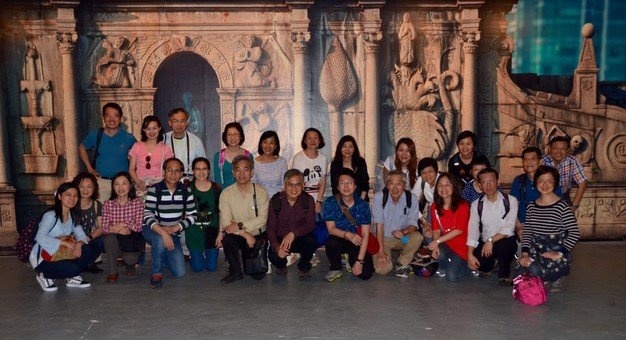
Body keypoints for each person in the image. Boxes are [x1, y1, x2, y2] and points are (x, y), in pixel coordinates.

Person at [519, 165, 580, 293]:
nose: (545, 184)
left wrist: (559, 253)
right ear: (535, 183)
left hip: (555, 249)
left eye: (549, 181)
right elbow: (528, 232)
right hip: (536, 250)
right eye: (541, 180)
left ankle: (558, 275)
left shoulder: (562, 206)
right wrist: (524, 253)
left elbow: (574, 232)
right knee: (519, 274)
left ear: (556, 183)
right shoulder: (531, 206)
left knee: (535, 271)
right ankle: (545, 275)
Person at [30, 182, 96, 292]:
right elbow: (40, 237)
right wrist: (65, 242)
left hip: (61, 254)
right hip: (44, 257)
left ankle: (71, 277)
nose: (72, 198)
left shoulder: (72, 216)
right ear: (60, 196)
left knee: (87, 250)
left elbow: (82, 236)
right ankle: (44, 275)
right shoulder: (51, 215)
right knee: (73, 268)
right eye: (68, 194)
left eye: (75, 195)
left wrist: (79, 244)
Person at [143, 158, 197, 288]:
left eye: (177, 171)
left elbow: (193, 215)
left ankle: (160, 256)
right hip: (153, 230)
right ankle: (156, 274)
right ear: (163, 172)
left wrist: (174, 229)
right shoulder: (154, 190)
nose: (173, 174)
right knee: (160, 239)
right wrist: (163, 232)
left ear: (181, 173)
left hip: (173, 232)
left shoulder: (186, 191)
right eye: (169, 170)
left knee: (180, 272)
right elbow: (147, 216)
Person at [217, 155, 269, 283]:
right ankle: (235, 271)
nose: (242, 174)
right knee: (228, 239)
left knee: (258, 275)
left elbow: (262, 219)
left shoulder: (261, 192)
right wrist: (245, 234)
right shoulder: (226, 193)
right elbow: (226, 223)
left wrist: (239, 225)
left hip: (257, 234)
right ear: (233, 173)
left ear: (252, 172)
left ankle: (249, 257)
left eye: (246, 170)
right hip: (237, 235)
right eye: (238, 170)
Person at [467, 169, 518, 286]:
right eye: (484, 182)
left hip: (505, 240)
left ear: (498, 182)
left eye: (491, 181)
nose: (488, 185)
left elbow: (509, 228)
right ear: (480, 185)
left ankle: (504, 274)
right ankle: (492, 264)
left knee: (503, 248)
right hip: (486, 243)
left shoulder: (510, 201)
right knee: (481, 264)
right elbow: (473, 230)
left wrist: (491, 240)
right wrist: (470, 254)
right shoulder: (476, 205)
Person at [322, 168, 374, 282]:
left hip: (357, 241)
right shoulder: (330, 202)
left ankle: (350, 258)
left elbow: (365, 235)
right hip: (339, 238)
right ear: (337, 187)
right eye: (342, 183)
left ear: (355, 186)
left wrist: (359, 261)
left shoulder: (363, 205)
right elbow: (331, 229)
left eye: (349, 182)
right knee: (331, 242)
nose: (346, 186)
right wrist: (348, 235)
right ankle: (335, 267)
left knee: (365, 274)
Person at [79, 102, 136, 200]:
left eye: (116, 116)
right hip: (102, 183)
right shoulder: (96, 135)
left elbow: (137, 155)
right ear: (103, 118)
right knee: (101, 213)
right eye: (108, 115)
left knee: (123, 213)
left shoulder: (128, 137)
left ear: (120, 118)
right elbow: (82, 148)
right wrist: (89, 168)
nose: (112, 119)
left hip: (122, 184)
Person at [266, 169, 317, 279]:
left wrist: (293, 233)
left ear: (303, 185)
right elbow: (270, 227)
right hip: (281, 238)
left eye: (298, 185)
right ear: (284, 185)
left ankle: (303, 266)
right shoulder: (276, 201)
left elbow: (310, 225)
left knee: (311, 241)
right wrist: (276, 247)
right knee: (274, 256)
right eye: (290, 185)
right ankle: (282, 265)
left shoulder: (308, 200)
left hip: (300, 237)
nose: (294, 189)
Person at [372, 170, 421, 278]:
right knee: (383, 270)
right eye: (391, 183)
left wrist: (404, 232)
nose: (395, 188)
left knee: (417, 237)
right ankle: (377, 254)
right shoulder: (379, 197)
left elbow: (413, 224)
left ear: (404, 185)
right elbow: (379, 227)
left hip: (402, 239)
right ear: (387, 185)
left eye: (399, 184)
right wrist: (380, 252)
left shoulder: (412, 198)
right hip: (382, 239)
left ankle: (402, 263)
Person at [510, 147, 563, 239]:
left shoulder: (550, 180)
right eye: (526, 159)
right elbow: (512, 207)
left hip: (548, 226)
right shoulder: (519, 180)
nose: (529, 162)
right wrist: (518, 227)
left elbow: (558, 206)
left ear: (540, 161)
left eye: (533, 159)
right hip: (524, 226)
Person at [427, 172, 471, 282]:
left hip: (462, 244)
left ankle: (468, 266)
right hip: (446, 243)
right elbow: (436, 229)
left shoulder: (462, 205)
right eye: (440, 185)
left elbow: (459, 230)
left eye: (447, 184)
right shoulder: (434, 206)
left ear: (453, 187)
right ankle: (447, 263)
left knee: (451, 277)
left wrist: (437, 241)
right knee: (436, 251)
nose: (443, 188)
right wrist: (436, 244)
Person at [101, 172, 145, 283]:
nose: (120, 187)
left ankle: (130, 265)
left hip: (131, 242)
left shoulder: (138, 204)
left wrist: (124, 224)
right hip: (115, 243)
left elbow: (139, 227)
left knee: (130, 260)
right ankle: (112, 272)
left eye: (124, 183)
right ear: (113, 187)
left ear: (130, 185)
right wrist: (120, 229)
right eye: (117, 184)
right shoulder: (107, 204)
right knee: (109, 237)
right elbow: (104, 228)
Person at [187, 157, 221, 272]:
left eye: (204, 169)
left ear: (209, 170)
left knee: (211, 268)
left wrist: (220, 234)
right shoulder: (187, 189)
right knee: (197, 268)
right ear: (193, 171)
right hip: (194, 233)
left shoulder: (216, 188)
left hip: (211, 233)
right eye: (197, 169)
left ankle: (207, 254)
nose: (201, 172)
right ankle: (194, 255)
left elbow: (221, 213)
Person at [129, 115, 174, 197]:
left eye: (154, 128)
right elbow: (131, 169)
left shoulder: (166, 148)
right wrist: (139, 183)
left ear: (159, 129)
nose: (151, 132)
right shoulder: (137, 146)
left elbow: (170, 170)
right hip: (140, 187)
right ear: (144, 130)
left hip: (159, 187)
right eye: (148, 129)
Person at [541, 136, 588, 211]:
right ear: (550, 149)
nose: (559, 152)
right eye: (555, 148)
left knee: (568, 221)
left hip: (563, 197)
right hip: (544, 197)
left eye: (563, 149)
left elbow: (583, 182)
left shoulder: (572, 161)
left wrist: (574, 206)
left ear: (568, 150)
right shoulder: (542, 162)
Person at [72, 172, 104, 274]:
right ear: (76, 188)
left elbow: (101, 227)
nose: (85, 190)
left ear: (94, 188)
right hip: (71, 240)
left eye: (89, 186)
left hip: (88, 239)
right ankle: (78, 264)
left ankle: (88, 262)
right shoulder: (70, 204)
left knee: (102, 240)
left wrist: (87, 238)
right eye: (81, 186)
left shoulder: (97, 205)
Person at [291, 128, 329, 214]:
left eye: (315, 138)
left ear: (319, 141)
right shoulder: (298, 158)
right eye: (309, 138)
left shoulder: (323, 158)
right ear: (305, 141)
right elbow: (296, 182)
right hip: (301, 198)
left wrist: (318, 202)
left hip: (318, 198)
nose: (312, 141)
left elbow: (323, 182)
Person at [164, 108, 207, 181]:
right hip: (168, 181)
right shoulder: (163, 140)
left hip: (189, 181)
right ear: (170, 123)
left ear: (187, 122)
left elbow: (203, 163)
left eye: (182, 121)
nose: (179, 124)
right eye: (175, 121)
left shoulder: (196, 141)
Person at [214, 122, 254, 189]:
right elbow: (218, 182)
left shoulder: (248, 155)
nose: (232, 137)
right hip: (224, 195)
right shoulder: (219, 156)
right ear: (225, 137)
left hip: (244, 194)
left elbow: (250, 179)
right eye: (229, 134)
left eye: (236, 134)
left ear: (241, 136)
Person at [330, 135, 370, 201]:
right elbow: (334, 186)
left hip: (361, 198)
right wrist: (341, 203)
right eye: (344, 146)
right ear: (340, 148)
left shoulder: (360, 162)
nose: (347, 150)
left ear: (354, 149)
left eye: (350, 147)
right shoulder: (335, 164)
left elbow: (365, 183)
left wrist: (360, 201)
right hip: (341, 201)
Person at [252, 130, 288, 198]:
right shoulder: (255, 163)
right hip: (260, 200)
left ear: (275, 146)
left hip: (278, 201)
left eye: (271, 143)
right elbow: (253, 185)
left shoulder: (282, 162)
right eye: (265, 142)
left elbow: (285, 184)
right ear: (261, 144)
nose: (268, 146)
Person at [412, 157, 440, 240]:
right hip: (433, 211)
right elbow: (411, 200)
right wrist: (423, 220)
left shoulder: (442, 180)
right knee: (427, 234)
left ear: (436, 171)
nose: (427, 175)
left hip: (446, 212)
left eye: (430, 171)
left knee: (435, 232)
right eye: (423, 172)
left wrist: (433, 227)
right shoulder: (421, 181)